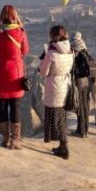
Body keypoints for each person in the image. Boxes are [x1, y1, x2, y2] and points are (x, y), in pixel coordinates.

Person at [0, 5, 29, 149]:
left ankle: (5, 138)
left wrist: (1, 58)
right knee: (15, 106)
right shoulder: (21, 32)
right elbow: (25, 50)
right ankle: (16, 140)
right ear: (15, 16)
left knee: (2, 106)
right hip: (15, 74)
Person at [39, 25, 75, 159]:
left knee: (56, 120)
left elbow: (43, 72)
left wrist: (42, 61)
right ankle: (62, 145)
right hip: (65, 85)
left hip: (54, 87)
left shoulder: (51, 53)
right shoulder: (71, 50)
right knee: (61, 117)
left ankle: (64, 147)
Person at [70, 31, 96, 138]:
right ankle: (86, 129)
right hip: (87, 80)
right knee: (85, 105)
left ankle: (81, 132)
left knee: (79, 105)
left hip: (78, 80)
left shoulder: (74, 47)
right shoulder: (84, 48)